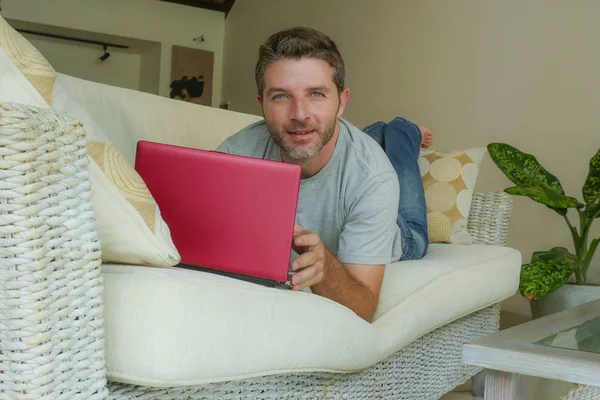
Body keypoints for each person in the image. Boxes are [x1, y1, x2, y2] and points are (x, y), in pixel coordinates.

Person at [216, 27, 430, 323]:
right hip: (351, 155)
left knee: (403, 177)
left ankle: (406, 132)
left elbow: (364, 309)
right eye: (280, 96)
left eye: (316, 94)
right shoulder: (233, 157)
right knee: (353, 142)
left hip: (402, 233)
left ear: (342, 102)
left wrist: (327, 268)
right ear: (261, 104)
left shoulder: (373, 176)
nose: (300, 114)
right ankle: (379, 132)